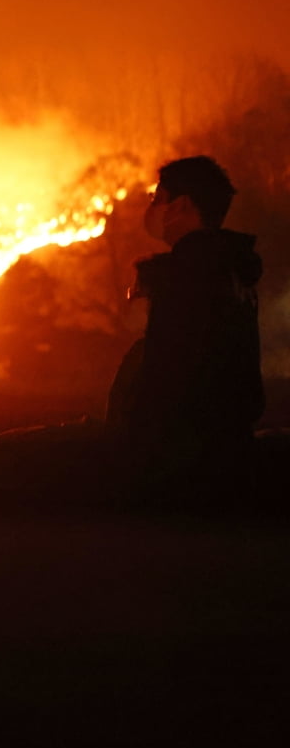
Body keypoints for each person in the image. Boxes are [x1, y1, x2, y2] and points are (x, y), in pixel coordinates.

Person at [107, 156, 263, 500]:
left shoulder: (185, 274)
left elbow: (167, 372)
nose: (152, 208)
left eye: (157, 199)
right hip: (228, 445)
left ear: (181, 205)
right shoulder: (232, 267)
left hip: (182, 460)